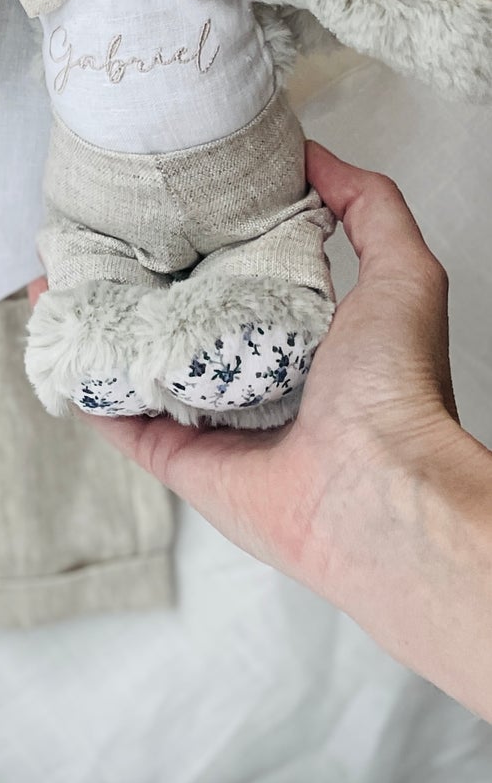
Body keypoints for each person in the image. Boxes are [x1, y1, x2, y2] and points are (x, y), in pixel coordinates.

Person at [34, 141, 492, 722]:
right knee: (89, 252)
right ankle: (102, 329)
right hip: (97, 203)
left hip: (249, 200)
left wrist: (384, 472)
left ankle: (238, 334)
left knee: (264, 246)